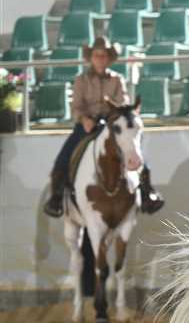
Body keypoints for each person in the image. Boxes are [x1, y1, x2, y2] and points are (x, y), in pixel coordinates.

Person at [43, 37, 164, 218]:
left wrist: (114, 114)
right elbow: (76, 107)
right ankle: (57, 197)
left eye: (103, 55)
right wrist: (84, 119)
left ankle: (147, 192)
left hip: (111, 125)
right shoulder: (81, 80)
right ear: (91, 58)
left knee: (136, 153)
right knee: (64, 157)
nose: (100, 59)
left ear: (108, 58)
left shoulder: (117, 80)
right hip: (86, 125)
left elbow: (124, 103)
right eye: (96, 55)